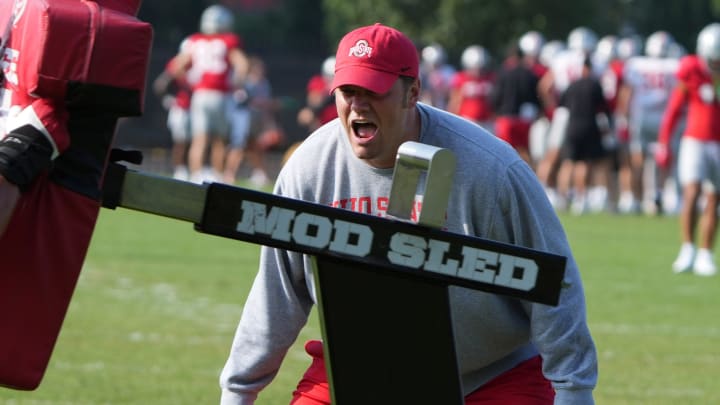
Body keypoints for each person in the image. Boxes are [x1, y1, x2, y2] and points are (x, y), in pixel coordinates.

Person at [219, 23, 598, 405]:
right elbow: (279, 288)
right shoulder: (311, 167)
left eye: (373, 92)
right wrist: (239, 390)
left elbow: (553, 278)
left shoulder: (491, 169)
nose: (358, 105)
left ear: (412, 92)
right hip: (358, 363)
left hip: (489, 374)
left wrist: (574, 389)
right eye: (348, 91)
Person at [655, 22, 720, 276]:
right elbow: (674, 107)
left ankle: (706, 253)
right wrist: (664, 141)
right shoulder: (691, 68)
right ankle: (687, 248)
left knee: (714, 198)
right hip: (695, 138)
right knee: (691, 192)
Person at [169, 4, 249, 184]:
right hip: (221, 95)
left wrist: (190, 83)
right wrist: (237, 84)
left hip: (200, 94)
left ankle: (196, 176)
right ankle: (217, 176)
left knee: (199, 138)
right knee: (219, 139)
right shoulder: (228, 41)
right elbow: (242, 64)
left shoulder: (195, 41)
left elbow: (177, 66)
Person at [616, 30, 680, 214]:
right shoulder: (673, 66)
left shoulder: (637, 64)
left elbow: (627, 93)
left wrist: (623, 117)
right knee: (663, 159)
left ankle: (636, 198)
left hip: (641, 117)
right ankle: (658, 194)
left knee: (638, 159)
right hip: (663, 119)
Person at [554, 57, 614, 215]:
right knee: (583, 164)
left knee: (568, 163)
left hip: (572, 126)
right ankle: (580, 198)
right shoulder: (595, 85)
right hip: (589, 126)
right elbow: (603, 109)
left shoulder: (572, 85)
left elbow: (562, 104)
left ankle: (562, 197)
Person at [491, 44, 542, 167]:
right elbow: (537, 98)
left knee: (504, 153)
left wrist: (495, 112)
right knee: (525, 152)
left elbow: (495, 98)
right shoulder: (531, 75)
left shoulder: (503, 73)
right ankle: (529, 180)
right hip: (524, 120)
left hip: (506, 119)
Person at [153, 38, 193, 180]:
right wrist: (167, 99)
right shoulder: (177, 64)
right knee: (181, 141)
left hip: (196, 108)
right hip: (182, 108)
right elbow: (160, 84)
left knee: (195, 141)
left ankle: (190, 169)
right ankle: (179, 169)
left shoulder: (200, 65)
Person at [447, 44, 496, 131]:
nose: (478, 71)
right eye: (474, 68)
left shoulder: (491, 78)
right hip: (467, 120)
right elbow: (454, 102)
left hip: (487, 122)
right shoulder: (460, 78)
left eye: (481, 68)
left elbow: (495, 101)